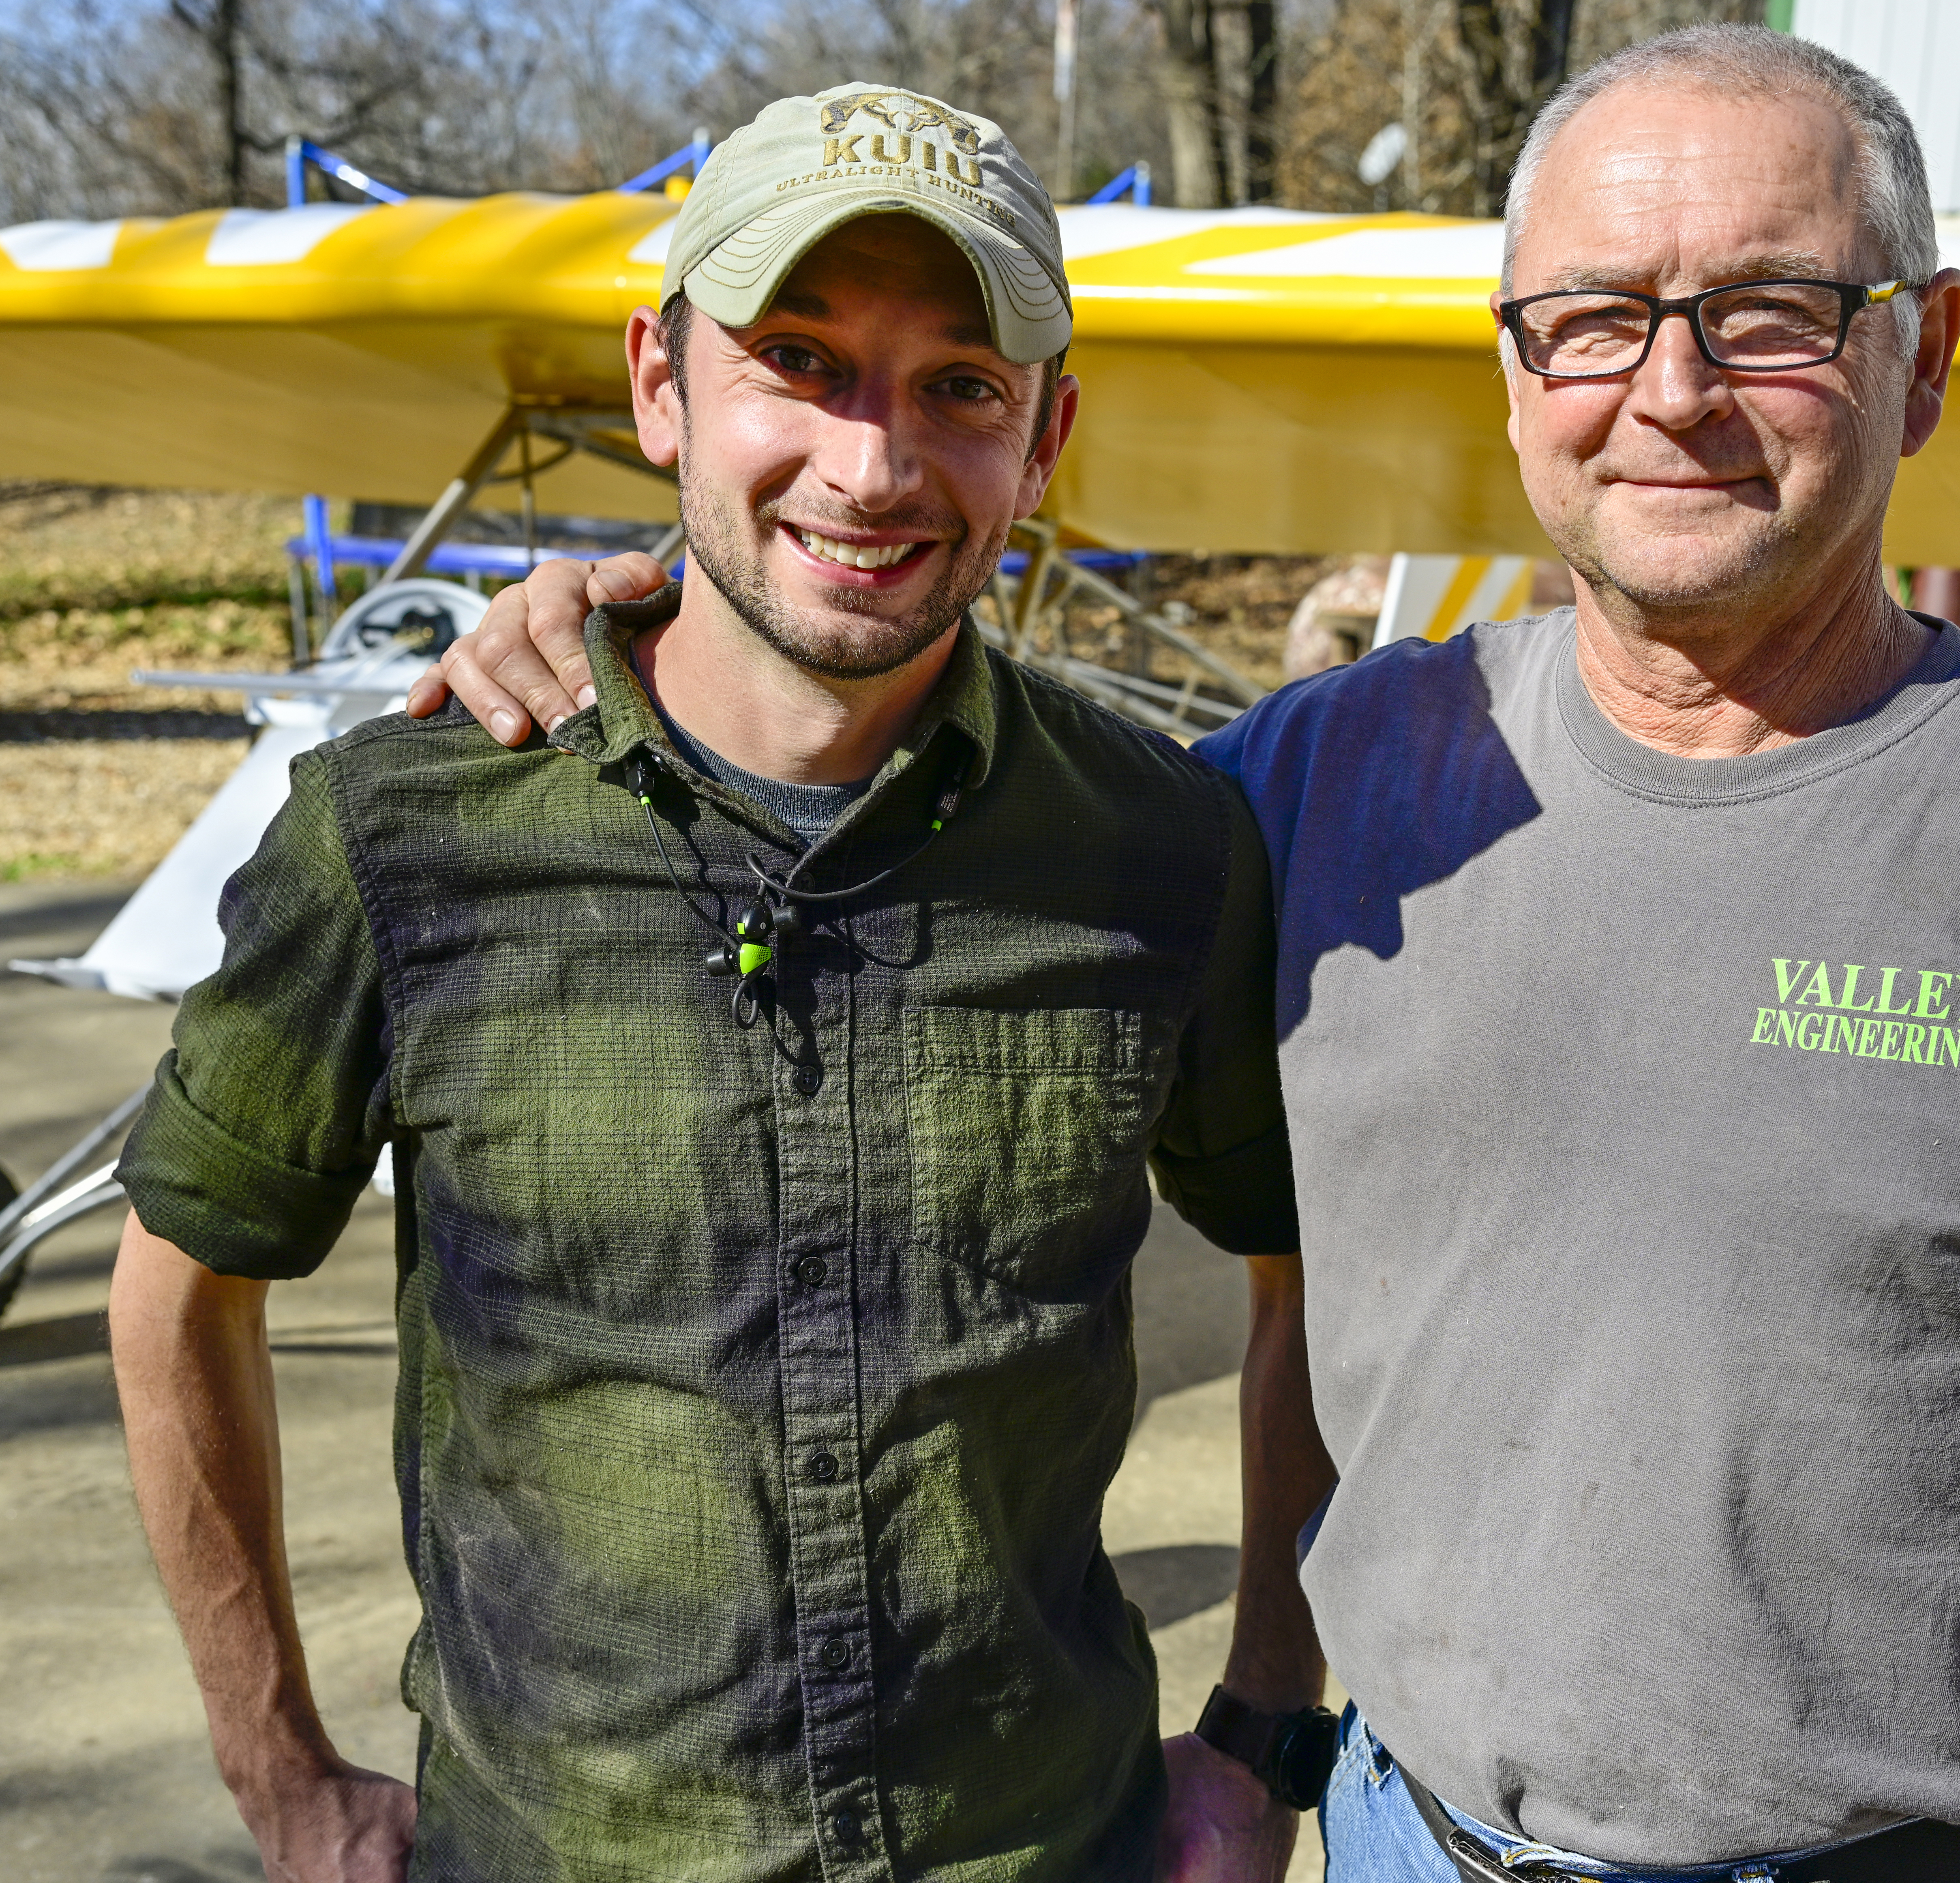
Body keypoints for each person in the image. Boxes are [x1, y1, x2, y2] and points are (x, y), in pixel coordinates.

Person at [422, 28, 1960, 1883]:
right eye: (1599, 316)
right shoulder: (1311, 786)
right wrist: (651, 634)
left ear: (1932, 355)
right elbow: (925, 803)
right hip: (1400, 1836)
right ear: (1518, 366)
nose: (1677, 390)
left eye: (1777, 308)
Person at [111, 83, 1307, 1883]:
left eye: (959, 388)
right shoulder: (405, 831)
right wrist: (281, 1776)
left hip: (1045, 1847)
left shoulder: (1165, 851)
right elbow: (181, 1291)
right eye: (802, 362)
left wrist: (1265, 1721)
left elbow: (1316, 1264)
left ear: (1046, 437)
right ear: (662, 386)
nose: (875, 465)